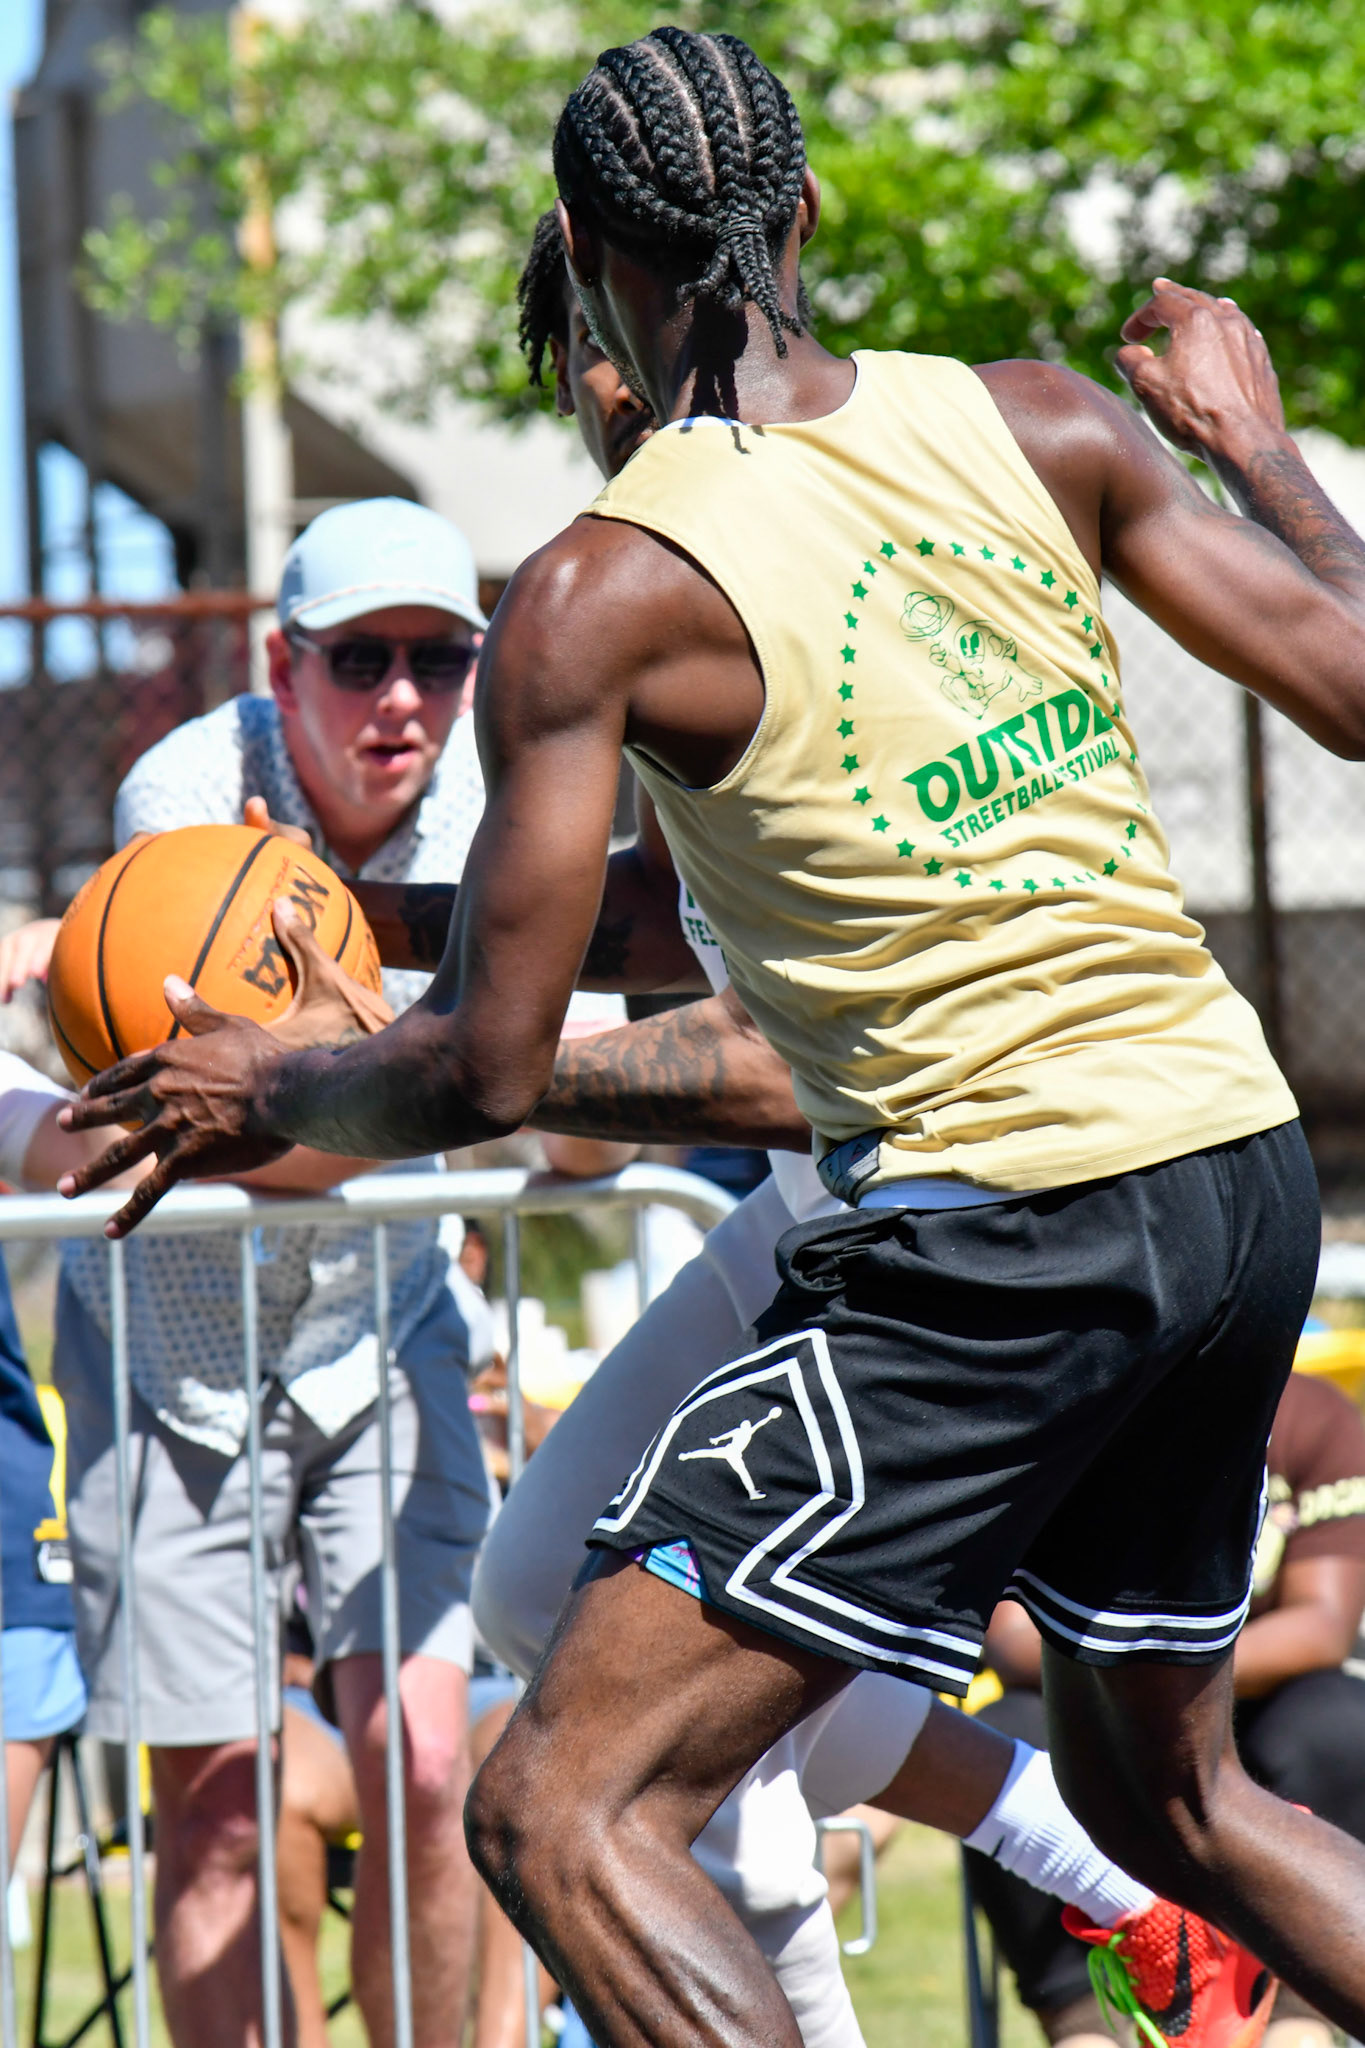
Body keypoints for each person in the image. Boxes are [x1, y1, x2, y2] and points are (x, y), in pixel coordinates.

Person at [57, 26, 1365, 2048]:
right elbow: (1347, 685)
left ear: (584, 252)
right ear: (806, 211)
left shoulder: (597, 592)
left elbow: (484, 1071)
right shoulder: (1035, 423)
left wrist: (266, 1075)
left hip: (1002, 1219)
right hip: (1229, 1169)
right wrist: (1253, 448)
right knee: (1165, 1796)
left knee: (560, 1806)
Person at [6, 497, 498, 2048]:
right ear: (283, 669)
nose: (402, 696)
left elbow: (509, 1102)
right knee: (219, 1810)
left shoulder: (499, 806)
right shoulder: (183, 796)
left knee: (430, 1762)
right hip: (171, 1338)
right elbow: (197, 1127)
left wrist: (428, 1101)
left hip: (383, 1314)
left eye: (440, 657)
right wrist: (417, 1096)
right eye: (360, 659)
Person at [972, 1367, 1365, 2048]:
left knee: (1338, 1722)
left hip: (1249, 1700)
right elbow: (1010, 1641)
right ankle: (1083, 2027)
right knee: (1006, 1734)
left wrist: (1166, 1679)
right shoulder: (1054, 1400)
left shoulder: (1313, 1415)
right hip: (1086, 1703)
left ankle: (1294, 2021)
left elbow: (1320, 1627)